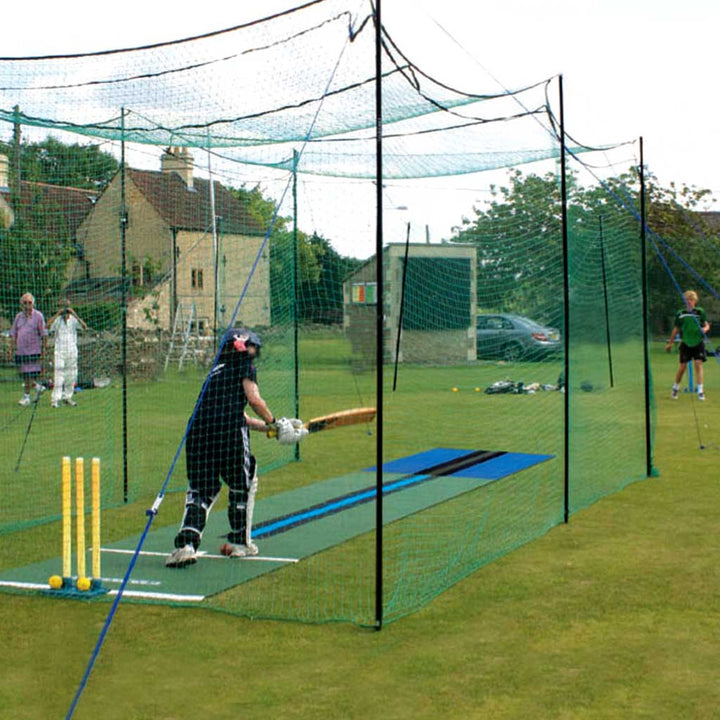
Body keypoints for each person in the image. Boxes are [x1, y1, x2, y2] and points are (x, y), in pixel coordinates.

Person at [166, 328, 307, 568]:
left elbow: (237, 414)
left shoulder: (216, 370)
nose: (254, 352)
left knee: (202, 489)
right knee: (245, 480)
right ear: (241, 346)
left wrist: (272, 428)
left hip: (198, 432)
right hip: (228, 433)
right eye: (252, 347)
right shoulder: (244, 365)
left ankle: (186, 546)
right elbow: (253, 399)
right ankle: (240, 542)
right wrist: (274, 423)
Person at [665, 290, 711, 401]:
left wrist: (704, 329)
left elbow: (706, 325)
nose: (690, 302)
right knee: (682, 368)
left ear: (695, 301)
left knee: (698, 364)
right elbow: (676, 329)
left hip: (698, 342)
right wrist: (670, 343)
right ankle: (675, 388)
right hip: (686, 342)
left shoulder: (700, 312)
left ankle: (700, 391)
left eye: (692, 300)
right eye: (688, 300)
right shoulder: (681, 313)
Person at [47, 300, 88, 408]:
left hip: (72, 351)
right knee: (59, 376)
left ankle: (67, 397)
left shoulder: (74, 320)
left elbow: (84, 327)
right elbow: (47, 326)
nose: (65, 310)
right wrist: (57, 314)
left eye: (67, 307)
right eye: (63, 307)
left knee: (72, 375)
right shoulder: (57, 320)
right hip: (60, 351)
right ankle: (55, 400)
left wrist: (74, 314)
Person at [9, 293, 47, 406]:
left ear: (33, 304)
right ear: (21, 304)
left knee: (29, 374)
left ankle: (26, 396)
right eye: (25, 303)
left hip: (34, 350)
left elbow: (44, 334)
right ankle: (38, 388)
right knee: (24, 374)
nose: (27, 305)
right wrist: (12, 348)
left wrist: (44, 350)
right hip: (21, 351)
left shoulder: (38, 316)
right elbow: (13, 334)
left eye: (29, 303)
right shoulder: (18, 317)